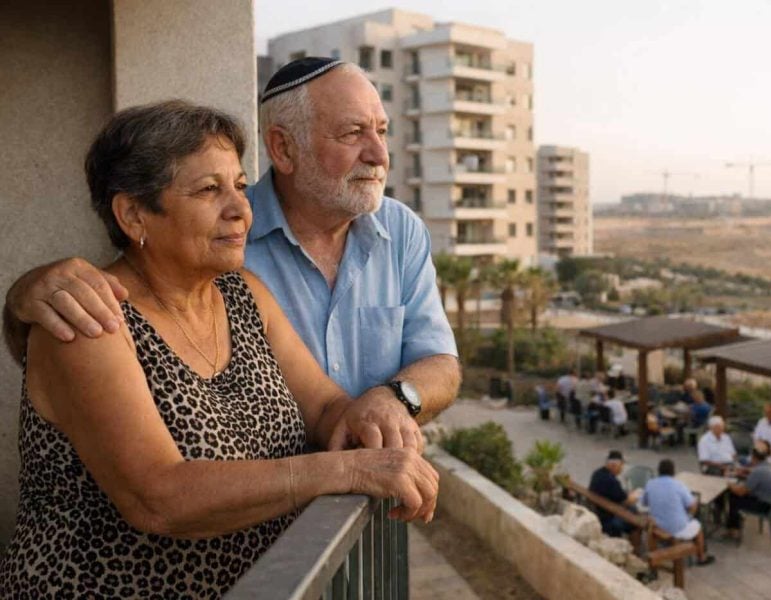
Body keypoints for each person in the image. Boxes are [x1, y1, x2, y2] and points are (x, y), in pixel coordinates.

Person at [0, 102, 439, 597]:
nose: (240, 209)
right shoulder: (89, 319)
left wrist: (375, 414)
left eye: (240, 185)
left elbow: (323, 408)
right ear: (134, 215)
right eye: (209, 190)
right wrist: (348, 470)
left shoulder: (243, 293)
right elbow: (158, 498)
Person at [3, 57, 460, 446]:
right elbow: (158, 490)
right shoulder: (214, 243)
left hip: (361, 510)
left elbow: (438, 361)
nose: (379, 154)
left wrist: (392, 401)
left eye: (382, 131)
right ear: (282, 148)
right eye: (353, 133)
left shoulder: (401, 231)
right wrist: (23, 296)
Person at [642, 460, 715, 566]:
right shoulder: (679, 485)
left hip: (657, 525)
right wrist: (689, 516)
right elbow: (692, 505)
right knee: (698, 526)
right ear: (673, 472)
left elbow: (644, 502)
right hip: (675, 528)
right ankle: (701, 557)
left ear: (659, 471)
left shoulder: (650, 484)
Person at [726, 446, 771, 535]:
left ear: (754, 458)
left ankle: (733, 530)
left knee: (734, 497)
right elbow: (759, 477)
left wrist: (730, 485)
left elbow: (741, 492)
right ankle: (734, 525)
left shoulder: (758, 471)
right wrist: (746, 473)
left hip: (766, 507)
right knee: (739, 495)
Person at [588, 450, 640, 539]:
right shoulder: (611, 481)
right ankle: (633, 544)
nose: (621, 469)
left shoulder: (597, 474)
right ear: (614, 465)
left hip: (597, 511)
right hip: (607, 520)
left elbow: (617, 495)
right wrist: (636, 495)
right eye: (621, 466)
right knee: (636, 518)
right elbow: (626, 501)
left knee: (633, 511)